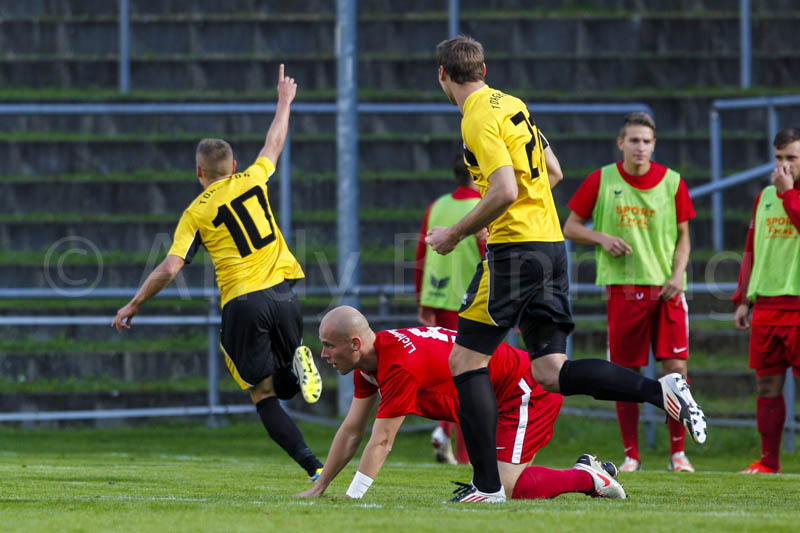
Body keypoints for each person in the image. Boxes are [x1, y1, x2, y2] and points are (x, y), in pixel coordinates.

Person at [425, 35, 706, 502]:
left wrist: (455, 234)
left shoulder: (475, 117)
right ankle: (660, 391)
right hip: (551, 245)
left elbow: (503, 190)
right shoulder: (512, 103)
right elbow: (552, 170)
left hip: (516, 249)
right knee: (551, 370)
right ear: (484, 69)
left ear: (441, 75)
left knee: (465, 360)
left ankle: (487, 486)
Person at [111, 65, 324, 482]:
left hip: (243, 300)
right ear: (234, 165)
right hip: (283, 292)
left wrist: (134, 303)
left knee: (262, 395)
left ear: (198, 172)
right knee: (280, 382)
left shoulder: (196, 212)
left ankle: (314, 467)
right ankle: (298, 362)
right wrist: (284, 101)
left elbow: (171, 267)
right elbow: (274, 143)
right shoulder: (253, 179)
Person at [295, 306, 626, 501]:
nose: (323, 355)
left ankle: (589, 478)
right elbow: (353, 430)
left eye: (328, 346)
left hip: (525, 390)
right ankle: (588, 473)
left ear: (355, 344)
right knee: (497, 485)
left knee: (505, 487)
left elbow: (381, 440)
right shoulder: (371, 362)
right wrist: (320, 487)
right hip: (499, 395)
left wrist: (352, 498)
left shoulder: (397, 364)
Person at [562, 112, 697, 473]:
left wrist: (678, 274)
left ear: (654, 145)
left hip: (667, 288)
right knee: (626, 372)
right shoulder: (601, 179)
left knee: (676, 369)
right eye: (634, 140)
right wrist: (601, 238)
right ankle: (632, 455)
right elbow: (570, 226)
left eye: (646, 141)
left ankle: (678, 454)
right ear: (621, 143)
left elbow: (684, 235)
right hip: (624, 291)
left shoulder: (672, 182)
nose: (640, 147)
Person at [733, 127, 800, 474]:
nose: (783, 166)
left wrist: (789, 195)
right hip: (768, 307)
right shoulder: (765, 196)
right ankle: (769, 463)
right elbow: (752, 248)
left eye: (791, 158)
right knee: (767, 385)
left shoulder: (785, 193)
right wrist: (743, 299)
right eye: (778, 158)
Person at [416, 154, 485, 465]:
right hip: (472, 301)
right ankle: (463, 452)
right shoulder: (484, 206)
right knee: (471, 377)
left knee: (454, 374)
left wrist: (423, 301)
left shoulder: (437, 205)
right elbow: (491, 255)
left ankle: (444, 431)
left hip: (440, 299)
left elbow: (421, 252)